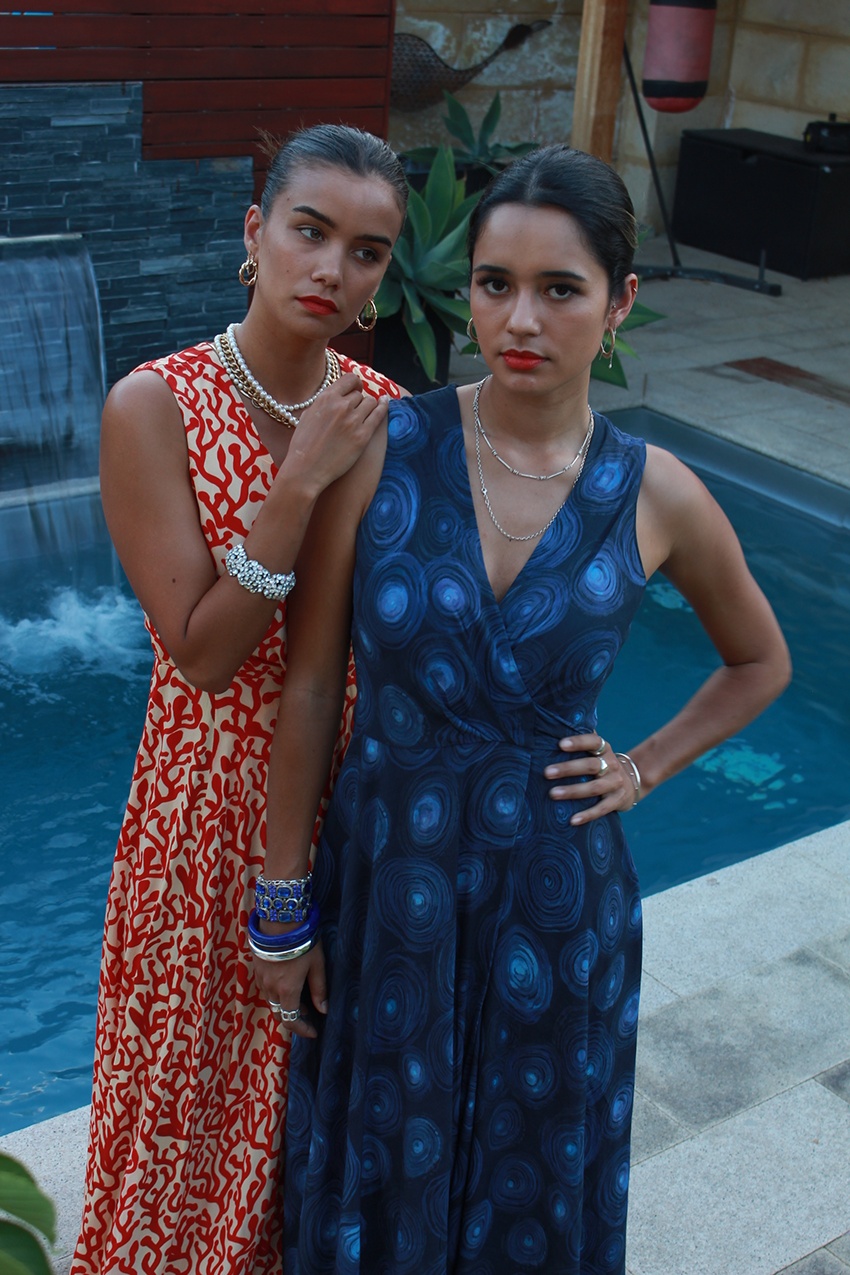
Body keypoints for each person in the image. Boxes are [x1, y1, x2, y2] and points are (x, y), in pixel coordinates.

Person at [253, 146, 791, 1274]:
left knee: (528, 1177)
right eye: (495, 283)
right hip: (387, 885)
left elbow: (758, 662)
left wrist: (644, 765)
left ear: (620, 301)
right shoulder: (385, 448)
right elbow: (309, 685)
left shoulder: (656, 492)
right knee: (374, 1163)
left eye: (560, 289)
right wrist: (283, 906)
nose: (521, 320)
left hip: (553, 909)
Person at [71, 125, 409, 1275]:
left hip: (339, 805)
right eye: (310, 232)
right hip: (201, 816)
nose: (332, 271)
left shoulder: (379, 408)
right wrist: (298, 479)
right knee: (184, 1111)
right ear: (252, 233)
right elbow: (204, 652)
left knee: (299, 1120)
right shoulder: (152, 405)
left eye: (366, 252)